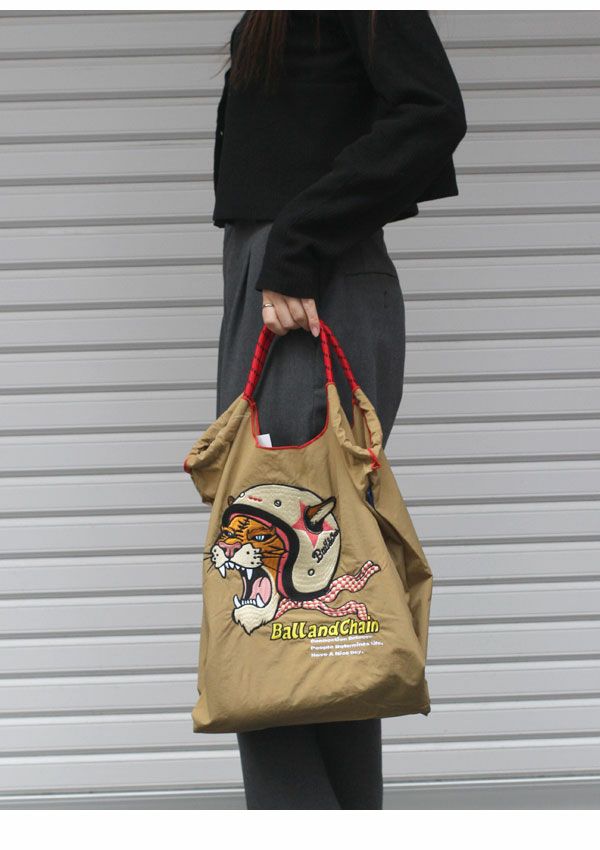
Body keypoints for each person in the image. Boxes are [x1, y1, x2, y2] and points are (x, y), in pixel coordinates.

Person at [211, 10, 467, 810]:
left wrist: (299, 239)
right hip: (282, 273)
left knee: (272, 585)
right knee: (319, 605)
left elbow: (431, 110)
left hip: (307, 283)